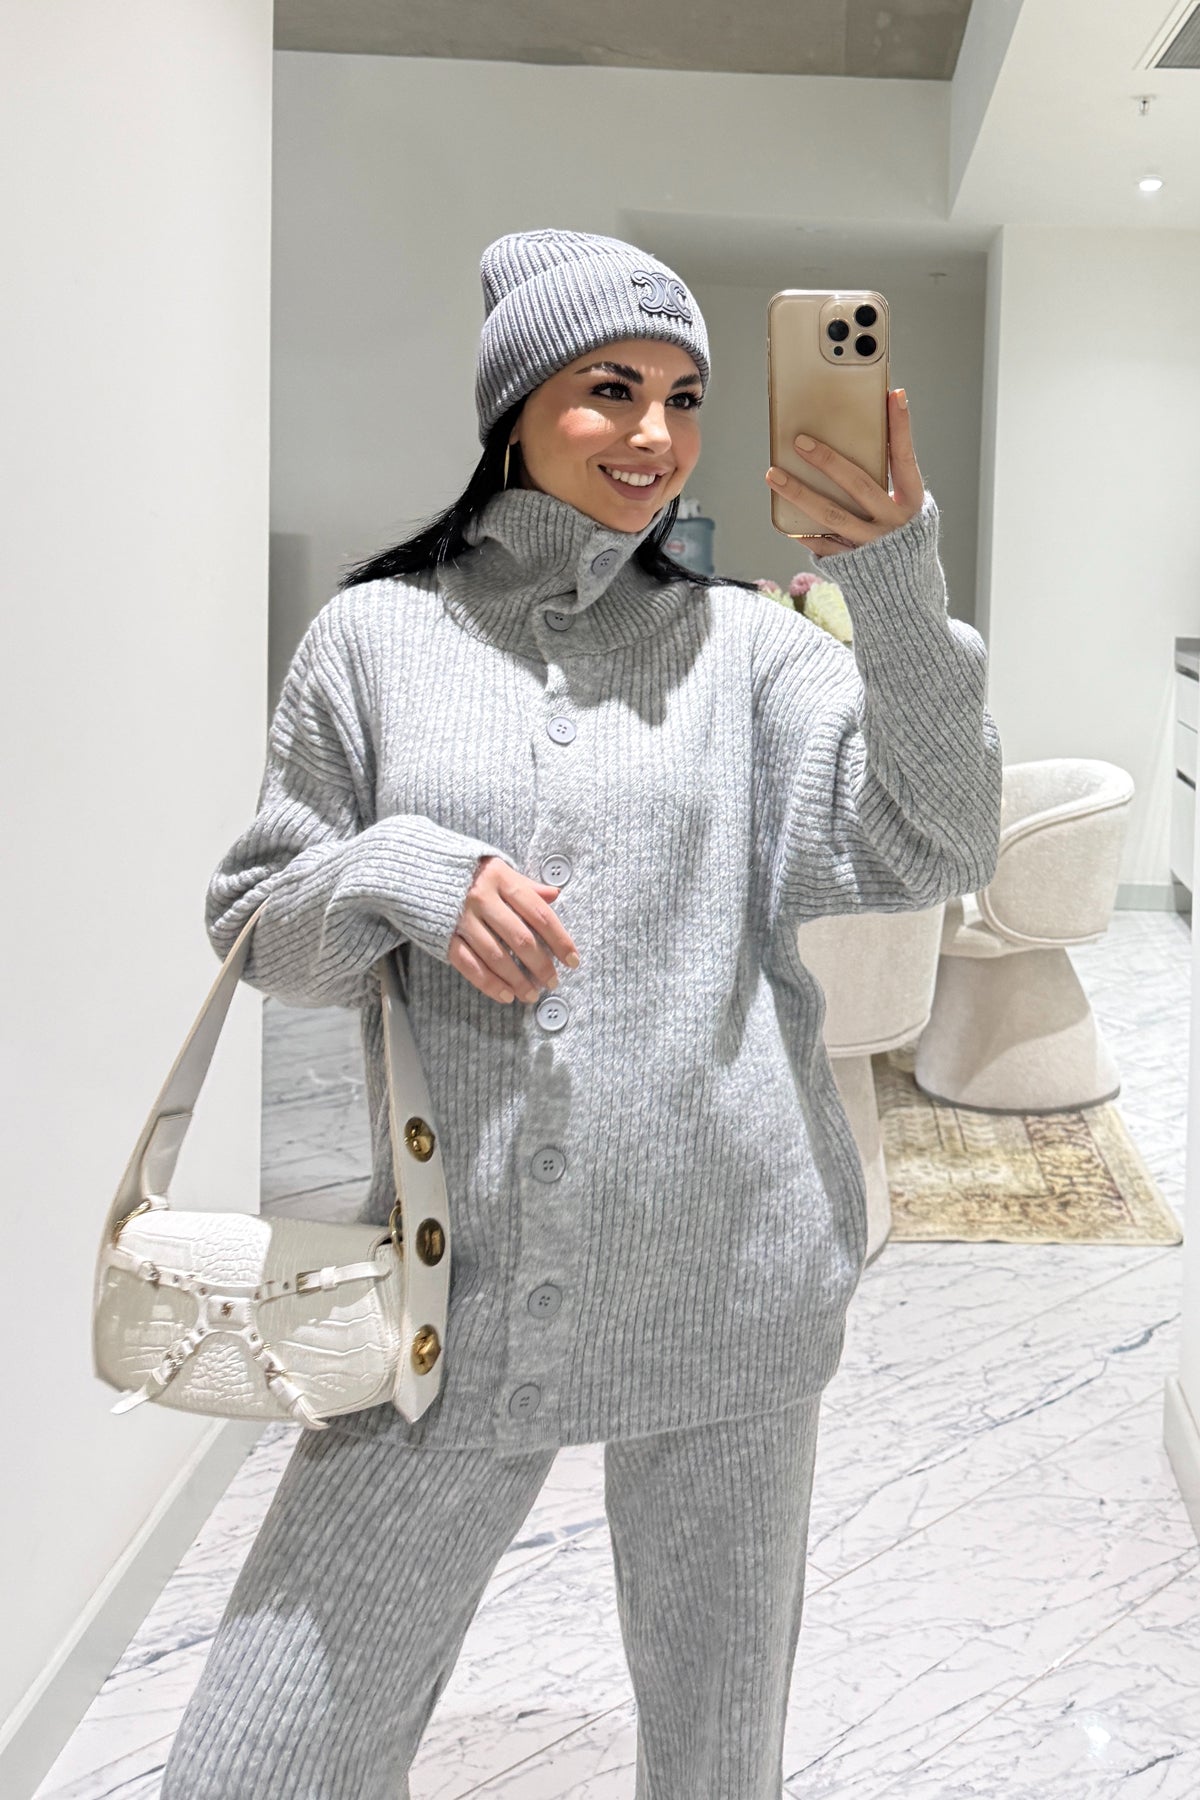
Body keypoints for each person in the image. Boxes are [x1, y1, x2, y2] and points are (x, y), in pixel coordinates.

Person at [161, 227, 1003, 1799]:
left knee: (716, 1760)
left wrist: (893, 584)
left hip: (734, 1290)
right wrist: (399, 872)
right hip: (458, 1298)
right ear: (516, 406)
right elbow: (262, 928)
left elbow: (936, 842)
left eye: (684, 397)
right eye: (610, 388)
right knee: (257, 1760)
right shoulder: (376, 637)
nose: (655, 434)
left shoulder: (750, 649)